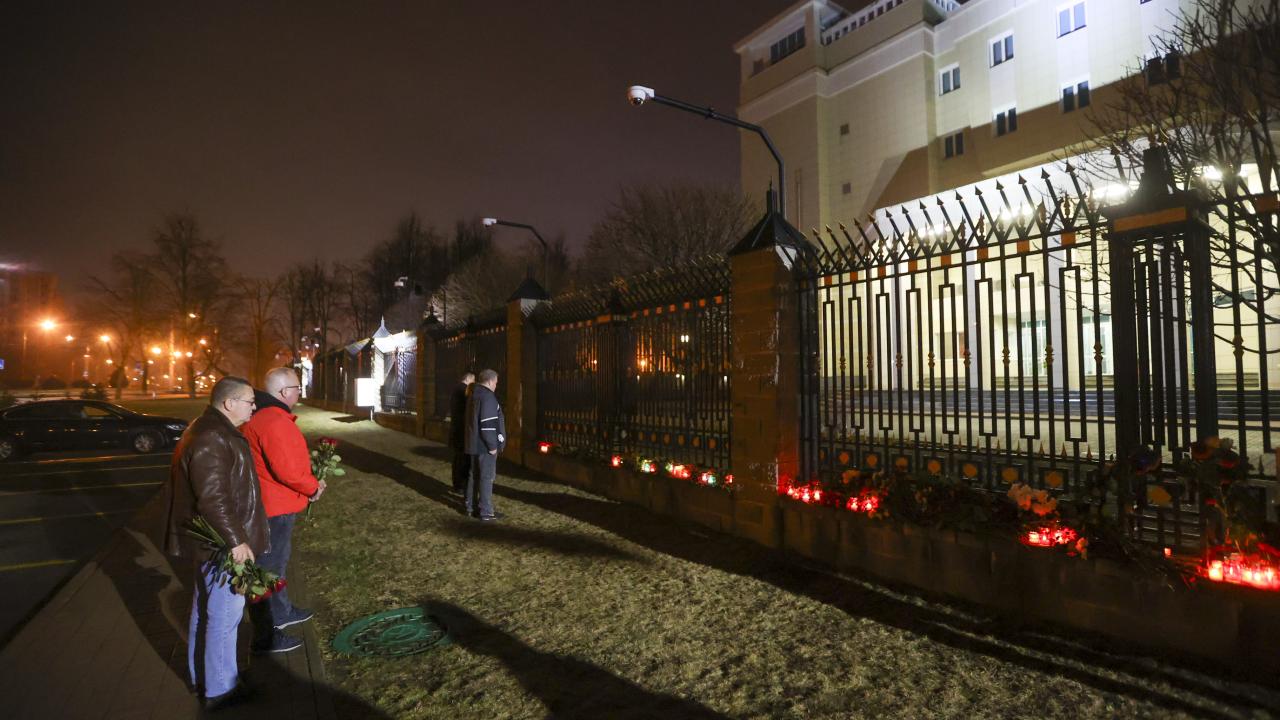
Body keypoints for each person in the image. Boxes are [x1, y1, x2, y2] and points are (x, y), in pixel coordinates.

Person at [160, 376, 268, 711]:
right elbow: (213, 498)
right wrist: (237, 541)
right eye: (249, 401)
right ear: (229, 403)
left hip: (211, 541)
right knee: (223, 617)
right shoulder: (212, 437)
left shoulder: (209, 430)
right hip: (221, 545)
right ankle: (221, 689)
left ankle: (206, 678)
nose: (254, 406)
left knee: (205, 612)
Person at [241, 367, 324, 654]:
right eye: (297, 387)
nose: (300, 391)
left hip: (273, 503)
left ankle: (282, 612)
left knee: (276, 563)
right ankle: (267, 633)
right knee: (269, 567)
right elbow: (287, 470)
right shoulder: (275, 421)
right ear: (284, 392)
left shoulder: (266, 417)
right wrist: (312, 487)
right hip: (276, 506)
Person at [464, 368, 505, 521]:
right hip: (484, 445)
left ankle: (471, 507)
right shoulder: (488, 397)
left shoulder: (474, 394)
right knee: (486, 477)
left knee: (474, 476)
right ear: (490, 381)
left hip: (474, 443)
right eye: (496, 383)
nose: (496, 386)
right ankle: (486, 511)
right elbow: (487, 425)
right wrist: (492, 446)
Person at [449, 372, 476, 495]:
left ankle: (457, 484)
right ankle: (461, 485)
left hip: (456, 429)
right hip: (462, 431)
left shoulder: (455, 389)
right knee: (463, 459)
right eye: (473, 381)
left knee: (457, 459)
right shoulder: (464, 390)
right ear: (469, 379)